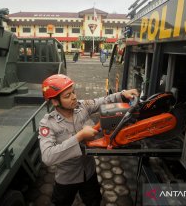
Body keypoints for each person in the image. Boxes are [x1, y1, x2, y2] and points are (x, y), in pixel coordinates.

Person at [38, 74, 138, 206]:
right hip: (66, 178)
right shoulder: (47, 124)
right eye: (67, 96)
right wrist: (79, 136)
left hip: (89, 172)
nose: (74, 97)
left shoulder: (82, 106)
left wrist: (122, 94)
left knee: (94, 201)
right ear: (55, 102)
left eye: (73, 92)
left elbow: (102, 101)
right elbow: (47, 156)